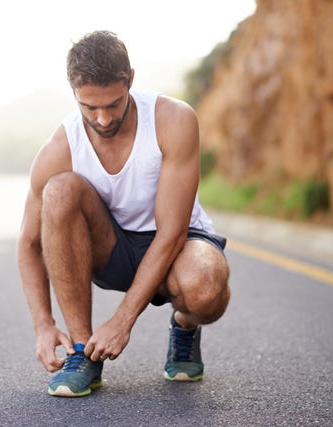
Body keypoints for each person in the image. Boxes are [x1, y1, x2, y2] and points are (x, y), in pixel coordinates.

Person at [17, 30, 230, 397]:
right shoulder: (59, 147)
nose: (102, 119)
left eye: (113, 104)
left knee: (206, 287)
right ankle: (83, 353)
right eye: (89, 108)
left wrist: (122, 319)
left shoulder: (173, 120)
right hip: (111, 248)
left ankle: (184, 325)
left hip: (176, 244)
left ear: (130, 78)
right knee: (60, 189)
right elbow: (29, 242)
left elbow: (172, 232)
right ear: (73, 93)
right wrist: (43, 324)